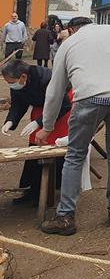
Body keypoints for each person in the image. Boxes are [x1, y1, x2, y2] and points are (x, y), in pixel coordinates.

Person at [37, 17, 110, 236]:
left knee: (75, 155)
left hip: (90, 97)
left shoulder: (69, 44)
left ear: (71, 29)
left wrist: (47, 126)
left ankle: (65, 216)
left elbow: (55, 90)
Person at [1, 59, 72, 205]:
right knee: (34, 145)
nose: (11, 85)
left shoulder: (47, 79)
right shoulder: (17, 83)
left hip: (62, 107)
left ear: (23, 77)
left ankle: (51, 190)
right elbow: (18, 104)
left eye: (11, 82)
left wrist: (40, 122)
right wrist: (11, 121)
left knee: (53, 146)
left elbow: (62, 104)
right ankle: (33, 189)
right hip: (42, 107)